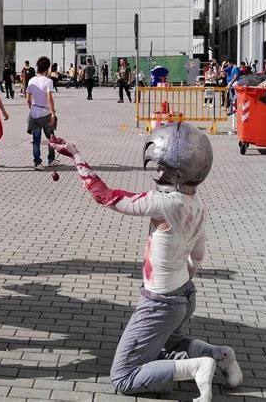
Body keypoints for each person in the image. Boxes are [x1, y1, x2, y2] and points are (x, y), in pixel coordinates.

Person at [49, 123, 242, 401]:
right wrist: (176, 283)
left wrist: (76, 155)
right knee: (171, 341)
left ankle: (198, 367)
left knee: (124, 376)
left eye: (162, 166)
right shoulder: (198, 207)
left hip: (161, 301)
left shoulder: (163, 203)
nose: (158, 172)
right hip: (185, 295)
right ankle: (220, 355)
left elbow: (105, 196)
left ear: (176, 170)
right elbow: (197, 258)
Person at [26, 56, 56, 170]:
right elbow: (49, 98)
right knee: (50, 138)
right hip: (46, 112)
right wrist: (53, 113)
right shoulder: (48, 81)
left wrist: (31, 109)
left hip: (35, 112)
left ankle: (37, 162)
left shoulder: (31, 80)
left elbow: (28, 99)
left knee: (36, 139)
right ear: (47, 68)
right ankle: (51, 160)